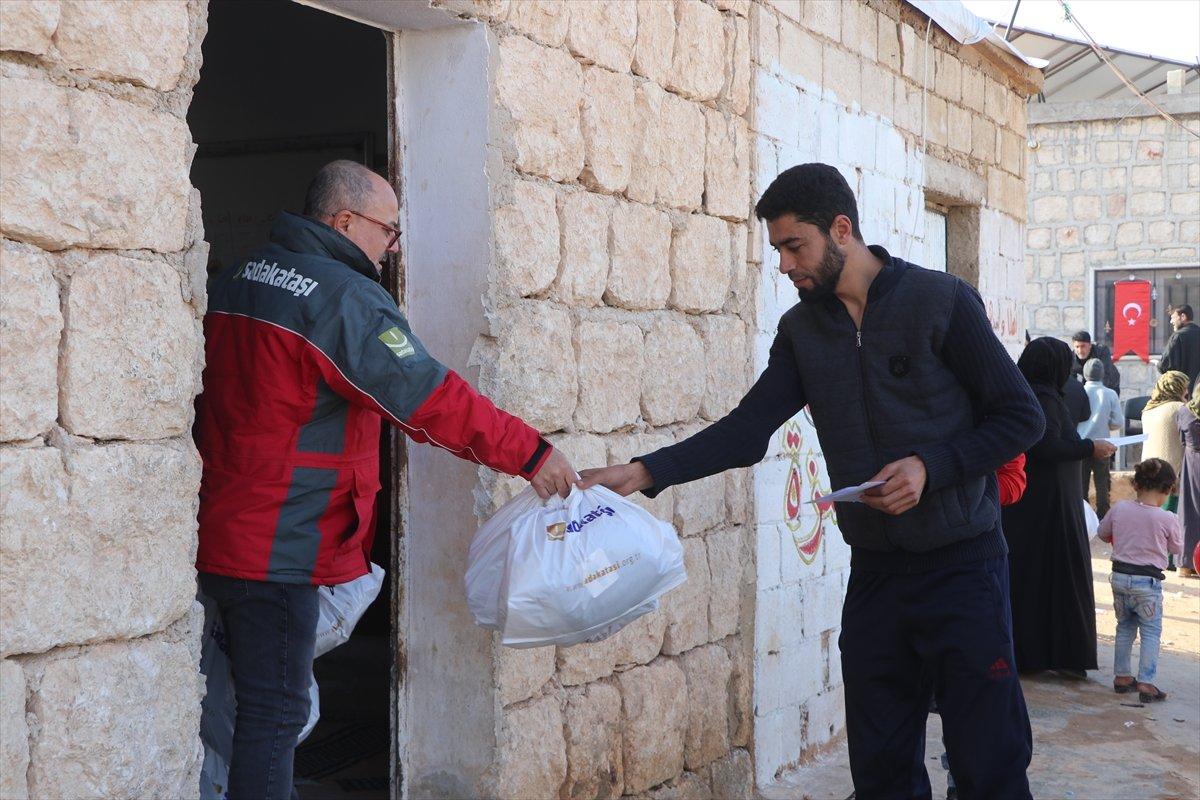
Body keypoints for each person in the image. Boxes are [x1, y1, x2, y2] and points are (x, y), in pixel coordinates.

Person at [580, 163, 1045, 798]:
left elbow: (1021, 417)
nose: (784, 265)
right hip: (878, 578)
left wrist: (930, 467)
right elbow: (748, 430)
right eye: (777, 249)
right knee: (880, 774)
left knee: (988, 765)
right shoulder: (804, 331)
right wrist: (642, 471)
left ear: (842, 230)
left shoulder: (941, 301)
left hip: (965, 570)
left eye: (794, 245)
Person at [194, 160, 579, 799]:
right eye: (388, 231)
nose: (392, 246)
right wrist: (531, 454)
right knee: (276, 711)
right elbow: (425, 396)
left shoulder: (243, 276)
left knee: (235, 698)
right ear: (345, 222)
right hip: (278, 544)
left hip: (221, 527)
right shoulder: (342, 297)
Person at [1001, 337, 1116, 678]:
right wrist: (1088, 448)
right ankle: (1048, 654)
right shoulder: (1043, 398)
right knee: (1050, 577)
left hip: (1042, 506)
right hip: (1045, 509)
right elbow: (1047, 448)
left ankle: (1046, 654)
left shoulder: (1038, 394)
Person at [1098, 458, 1182, 703]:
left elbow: (1103, 534)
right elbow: (1176, 547)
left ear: (1136, 484)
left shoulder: (1120, 508)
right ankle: (1146, 682)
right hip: (1148, 583)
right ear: (1168, 490)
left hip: (1120, 578)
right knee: (1151, 631)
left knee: (1124, 627)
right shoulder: (1166, 518)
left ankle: (1122, 677)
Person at [1143, 370, 1189, 549]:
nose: (1187, 392)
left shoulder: (1148, 409)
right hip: (1170, 471)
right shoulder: (1179, 408)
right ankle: (1170, 558)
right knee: (1170, 516)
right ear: (1177, 388)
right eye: (1184, 388)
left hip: (1148, 468)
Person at [1078, 358, 1124, 519]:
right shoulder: (1110, 394)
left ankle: (1083, 517)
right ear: (1102, 374)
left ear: (1085, 373)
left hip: (1081, 446)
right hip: (1103, 445)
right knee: (1102, 483)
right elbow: (1118, 422)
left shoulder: (1079, 391)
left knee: (1081, 485)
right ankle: (1102, 516)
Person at [1177, 384, 1200, 577]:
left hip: (1192, 462)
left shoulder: (1184, 411)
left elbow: (1182, 440)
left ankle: (1185, 563)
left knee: (1189, 511)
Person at [1158, 304, 1200, 391]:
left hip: (1183, 393)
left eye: (1173, 317)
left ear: (1183, 316)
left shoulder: (1178, 336)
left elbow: (1165, 365)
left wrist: (1157, 364)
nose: (1171, 321)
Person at [1070, 330, 1120, 395]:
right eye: (1077, 347)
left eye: (1083, 346)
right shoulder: (1072, 357)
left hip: (1110, 382)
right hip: (1088, 380)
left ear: (1090, 345)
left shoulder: (1102, 351)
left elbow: (1105, 374)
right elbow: (1071, 379)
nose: (1080, 351)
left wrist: (1096, 395)